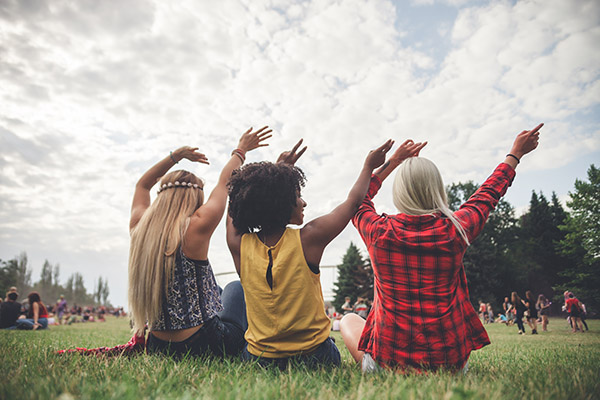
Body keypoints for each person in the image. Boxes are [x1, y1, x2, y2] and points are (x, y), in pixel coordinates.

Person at [340, 123, 542, 373]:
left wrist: (391, 163)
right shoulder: (456, 229)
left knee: (349, 319)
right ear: (437, 189)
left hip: (387, 362)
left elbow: (357, 201)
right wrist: (515, 154)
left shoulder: (379, 232)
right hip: (450, 363)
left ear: (399, 191)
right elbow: (488, 193)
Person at [226, 138, 394, 369]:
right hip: (315, 358)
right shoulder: (308, 238)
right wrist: (368, 166)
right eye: (297, 195)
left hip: (260, 359)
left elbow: (237, 201)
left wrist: (277, 172)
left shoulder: (239, 245)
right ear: (281, 202)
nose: (303, 202)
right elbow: (354, 201)